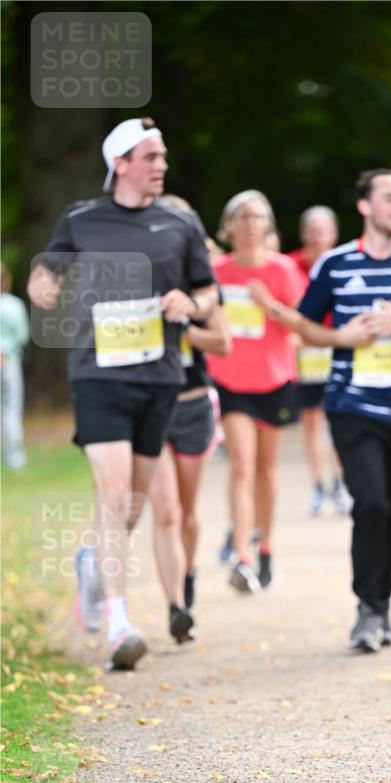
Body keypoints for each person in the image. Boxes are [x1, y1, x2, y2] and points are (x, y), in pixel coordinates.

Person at [27, 118, 217, 670]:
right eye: (151, 156)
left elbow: (207, 291)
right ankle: (118, 623)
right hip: (97, 373)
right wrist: (43, 284)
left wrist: (191, 303)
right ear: (122, 163)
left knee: (131, 504)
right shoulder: (82, 218)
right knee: (113, 496)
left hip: (159, 377)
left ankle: (92, 561)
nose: (161, 165)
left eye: (162, 156)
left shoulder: (180, 223)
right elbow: (49, 265)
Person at [252, 169, 391, 650]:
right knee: (371, 503)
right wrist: (342, 338)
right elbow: (305, 326)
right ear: (365, 206)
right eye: (390, 198)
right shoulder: (336, 265)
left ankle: (381, 605)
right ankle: (367, 610)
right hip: (352, 406)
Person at [207, 190, 305, 593]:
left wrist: (271, 308)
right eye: (242, 217)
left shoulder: (282, 270)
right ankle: (242, 556)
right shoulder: (216, 272)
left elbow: (303, 324)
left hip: (275, 379)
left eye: (257, 217)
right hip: (230, 382)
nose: (250, 225)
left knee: (265, 470)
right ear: (228, 227)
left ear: (268, 227)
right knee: (241, 465)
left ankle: (266, 547)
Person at [147, 195, 231, 641]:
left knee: (188, 512)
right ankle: (175, 604)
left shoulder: (201, 289)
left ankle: (189, 570)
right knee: (166, 510)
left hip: (195, 403)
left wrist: (184, 327)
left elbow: (223, 344)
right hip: (153, 403)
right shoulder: (137, 281)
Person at [288, 206, 351, 516]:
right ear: (303, 234)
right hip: (305, 353)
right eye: (311, 230)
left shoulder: (344, 264)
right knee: (311, 421)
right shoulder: (290, 265)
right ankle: (317, 485)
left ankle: (340, 484)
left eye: (322, 230)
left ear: (334, 234)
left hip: (336, 348)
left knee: (337, 419)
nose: (317, 236)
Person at [0, 263, 30, 469]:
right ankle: (15, 459)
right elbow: (22, 335)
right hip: (8, 360)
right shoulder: (13, 305)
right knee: (11, 407)